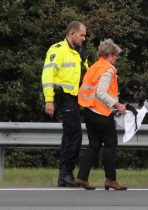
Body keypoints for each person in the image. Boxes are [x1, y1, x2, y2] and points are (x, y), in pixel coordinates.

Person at [75, 38, 127, 190]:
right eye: (115, 55)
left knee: (94, 145)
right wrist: (118, 105)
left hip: (89, 111)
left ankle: (82, 177)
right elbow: (101, 92)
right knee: (111, 145)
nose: (116, 59)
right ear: (110, 54)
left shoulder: (95, 66)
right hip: (101, 112)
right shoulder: (108, 69)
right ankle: (110, 179)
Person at [42, 20, 88, 187]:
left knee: (70, 135)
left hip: (75, 99)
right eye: (82, 35)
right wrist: (49, 100)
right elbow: (47, 76)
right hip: (64, 98)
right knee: (74, 134)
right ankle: (66, 173)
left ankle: (65, 174)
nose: (84, 38)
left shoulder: (79, 53)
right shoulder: (58, 50)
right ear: (72, 34)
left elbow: (87, 77)